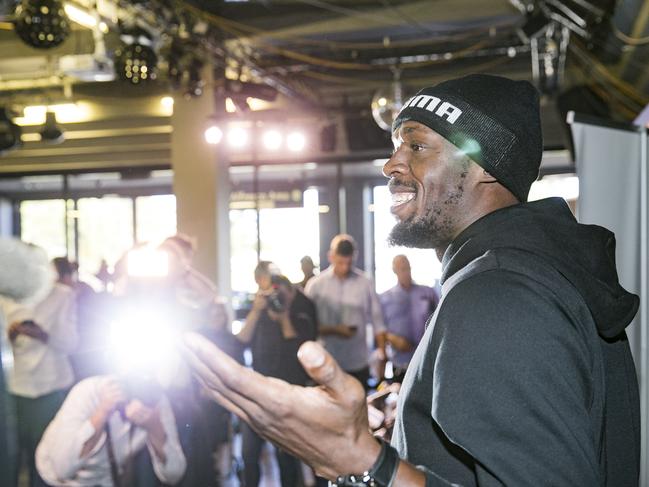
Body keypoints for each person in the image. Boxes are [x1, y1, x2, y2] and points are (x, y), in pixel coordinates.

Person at [181, 74, 640, 486]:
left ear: (485, 166)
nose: (391, 165)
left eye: (416, 147)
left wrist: (361, 461)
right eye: (396, 146)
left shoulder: (500, 297)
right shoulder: (519, 276)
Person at [237, 268, 318, 487]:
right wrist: (256, 310)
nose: (279, 297)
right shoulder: (261, 311)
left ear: (292, 292)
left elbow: (301, 351)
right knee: (249, 453)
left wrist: (284, 316)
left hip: (287, 394)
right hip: (258, 390)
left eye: (283, 293)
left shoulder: (303, 310)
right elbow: (241, 341)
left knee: (287, 456)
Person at [3, 256, 79, 487]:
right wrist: (12, 334)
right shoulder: (5, 300)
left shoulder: (62, 296)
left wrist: (43, 335)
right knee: (12, 455)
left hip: (51, 387)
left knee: (47, 458)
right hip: (15, 387)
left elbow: (72, 343)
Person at [35, 375, 186, 486]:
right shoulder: (87, 392)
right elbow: (62, 469)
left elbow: (174, 474)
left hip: (104, 480)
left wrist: (155, 427)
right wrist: (102, 412)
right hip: (54, 480)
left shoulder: (157, 403)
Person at [304, 235, 386, 389]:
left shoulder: (365, 283)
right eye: (340, 262)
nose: (345, 268)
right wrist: (335, 330)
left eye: (349, 263)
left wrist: (382, 354)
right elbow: (307, 326)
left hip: (357, 361)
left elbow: (377, 321)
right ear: (331, 257)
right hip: (325, 360)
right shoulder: (315, 285)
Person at [379, 255, 438, 382]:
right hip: (400, 364)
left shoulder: (428, 293)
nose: (405, 272)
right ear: (394, 271)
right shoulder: (385, 298)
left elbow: (440, 322)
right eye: (401, 269)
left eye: (407, 268)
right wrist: (392, 338)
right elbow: (380, 329)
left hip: (427, 362)